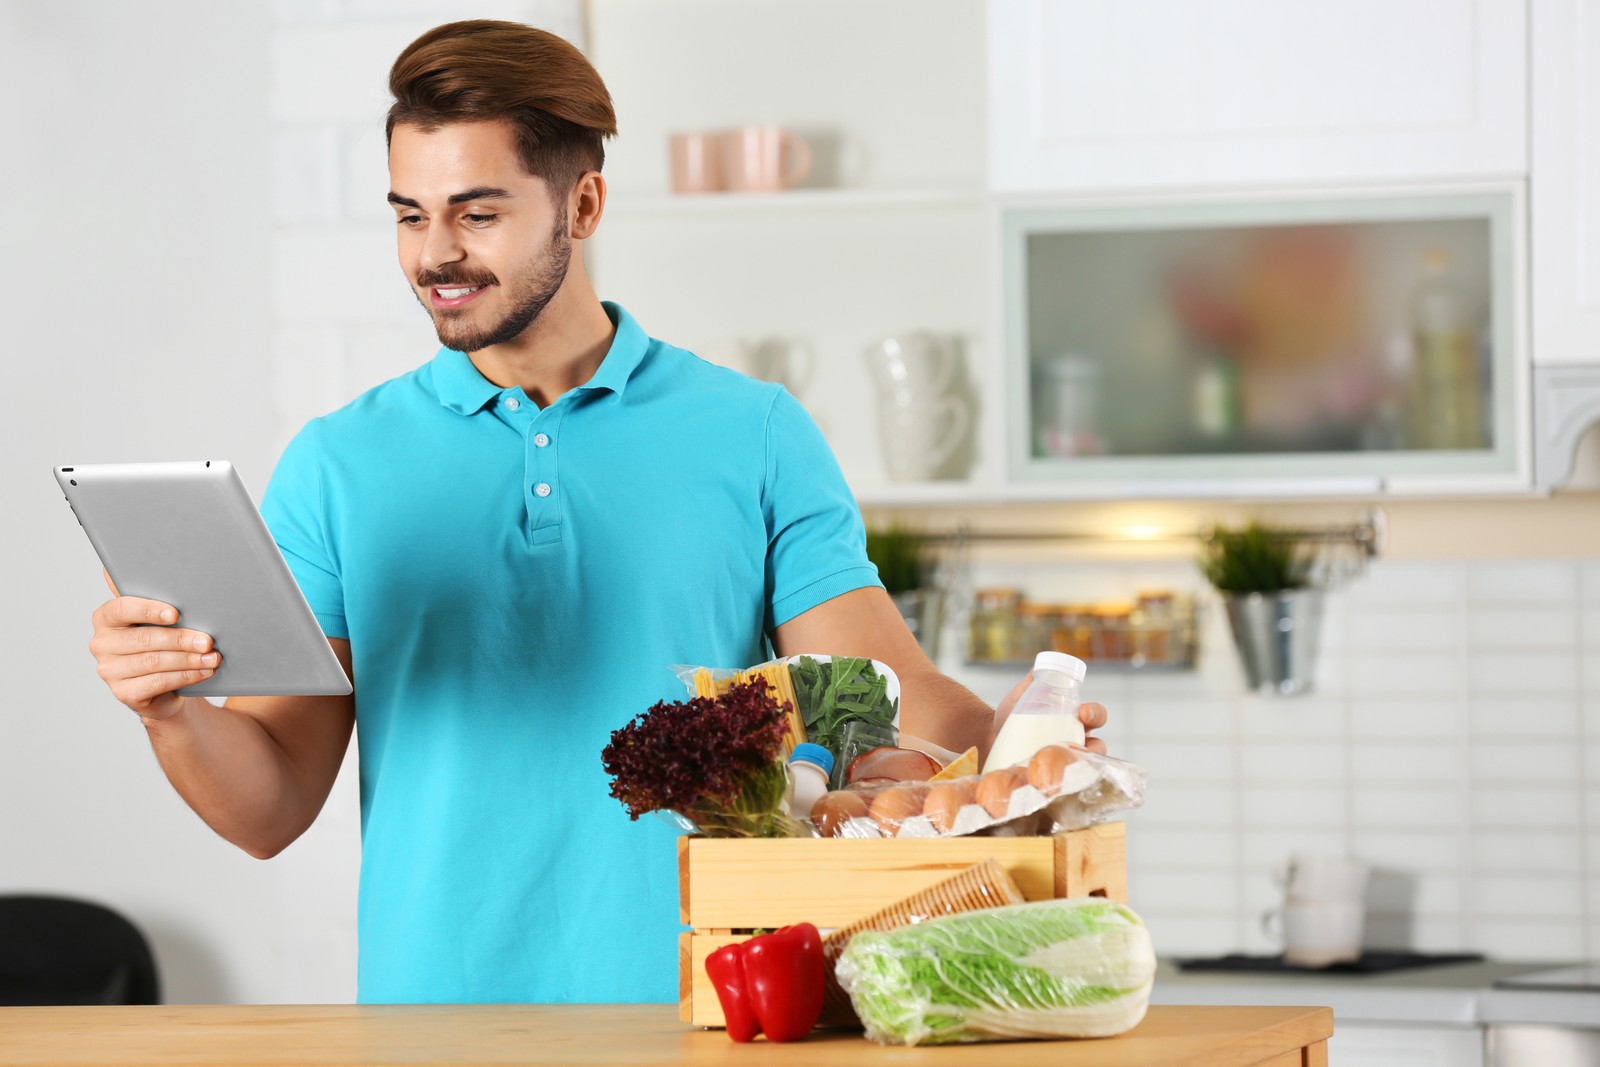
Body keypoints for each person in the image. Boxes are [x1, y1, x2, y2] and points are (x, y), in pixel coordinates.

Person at [85, 20, 1108, 1004]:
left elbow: (879, 696)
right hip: (431, 1021)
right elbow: (268, 805)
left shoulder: (749, 430)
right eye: (409, 213)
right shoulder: (336, 464)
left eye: (477, 213)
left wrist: (1009, 747)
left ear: (582, 206)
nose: (434, 254)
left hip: (714, 1003)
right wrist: (167, 710)